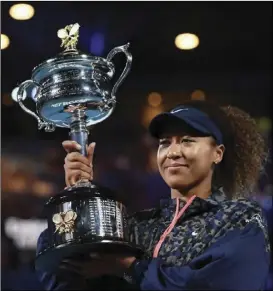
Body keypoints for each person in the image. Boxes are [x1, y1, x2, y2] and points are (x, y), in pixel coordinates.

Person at [36, 100, 271, 290]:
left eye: (187, 141)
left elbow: (216, 284)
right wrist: (78, 199)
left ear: (217, 154)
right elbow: (62, 277)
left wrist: (129, 268)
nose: (173, 152)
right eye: (165, 143)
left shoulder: (240, 219)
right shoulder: (138, 227)